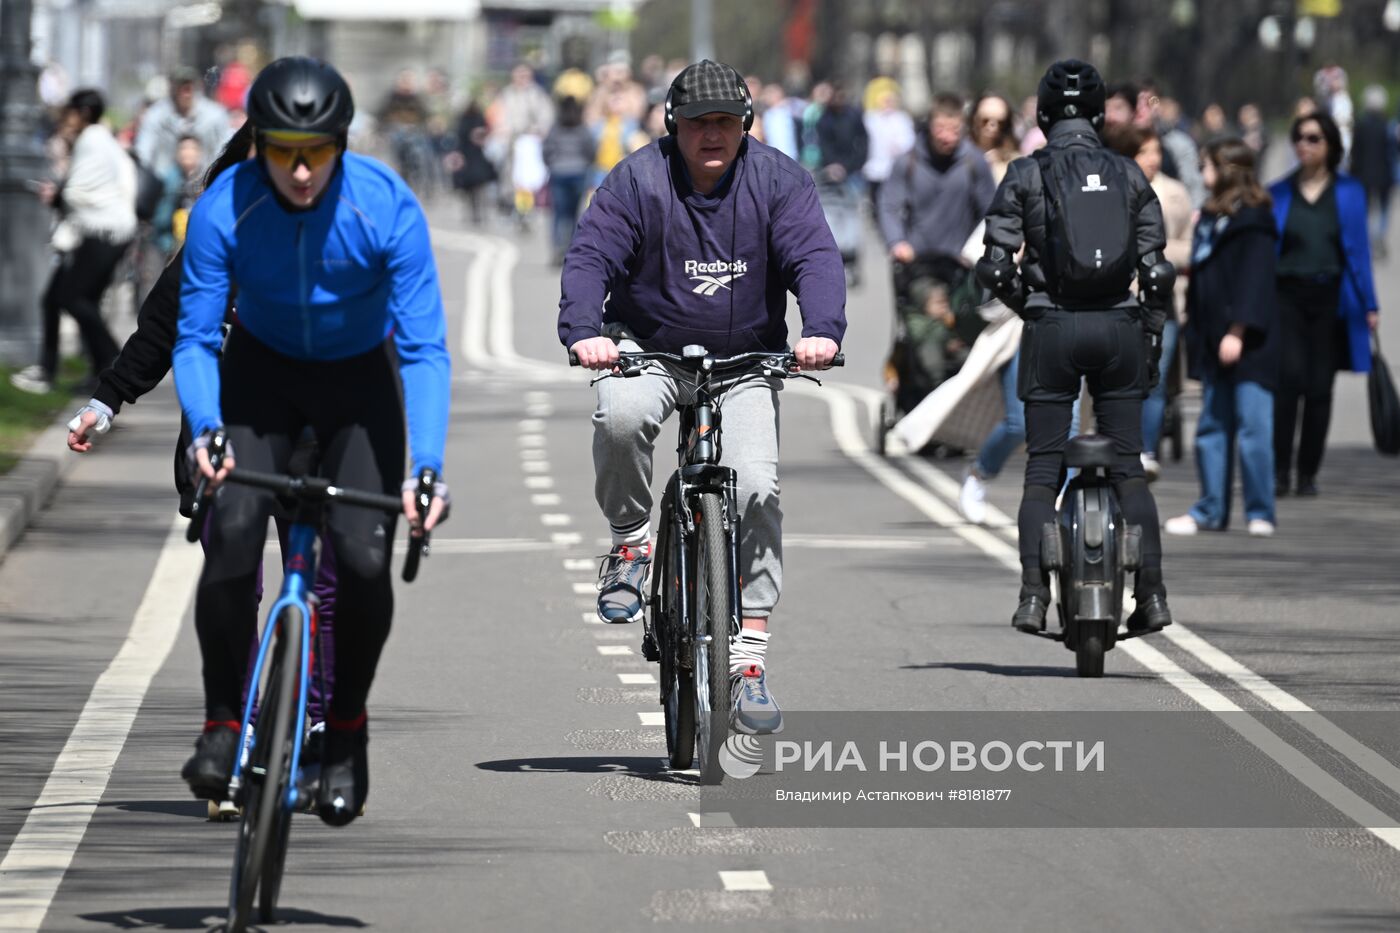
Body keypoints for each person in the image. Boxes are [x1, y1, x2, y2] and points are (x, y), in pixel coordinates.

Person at [172, 56, 452, 825]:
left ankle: (346, 735)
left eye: (318, 151)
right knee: (230, 532)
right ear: (257, 141)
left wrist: (425, 467)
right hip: (259, 379)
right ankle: (225, 722)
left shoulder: (385, 208)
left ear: (342, 144)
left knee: (363, 561)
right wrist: (205, 432)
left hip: (358, 386)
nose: (300, 170)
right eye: (284, 149)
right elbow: (196, 339)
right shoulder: (226, 207)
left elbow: (426, 351)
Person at [559, 59, 845, 736]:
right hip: (649, 347)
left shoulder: (779, 181)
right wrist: (583, 332)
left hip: (746, 358)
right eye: (697, 123)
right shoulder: (636, 180)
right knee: (621, 413)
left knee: (754, 486)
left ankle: (748, 660)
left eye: (724, 121)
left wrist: (823, 331)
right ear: (672, 125)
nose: (711, 134)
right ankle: (631, 543)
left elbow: (815, 257)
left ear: (745, 123)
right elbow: (590, 256)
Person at [64, 121, 342, 747]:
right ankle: (233, 721)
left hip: (316, 438)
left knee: (328, 580)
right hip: (227, 439)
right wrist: (105, 403)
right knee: (234, 576)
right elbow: (159, 334)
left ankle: (319, 719)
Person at [975, 59, 1173, 635]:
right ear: (1099, 116)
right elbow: (1157, 272)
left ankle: (1034, 594)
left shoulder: (1024, 174)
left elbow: (992, 267)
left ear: (1040, 116)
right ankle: (1153, 595)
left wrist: (1029, 307)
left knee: (1042, 471)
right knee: (1129, 469)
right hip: (1119, 327)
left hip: (1053, 329)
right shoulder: (1129, 174)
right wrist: (1152, 337)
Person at [1166, 139, 1280, 537]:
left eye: (1208, 167)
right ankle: (1210, 509)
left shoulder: (1255, 221)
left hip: (1248, 343)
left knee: (1253, 429)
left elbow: (1255, 281)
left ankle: (1259, 510)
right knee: (1212, 427)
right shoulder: (1212, 217)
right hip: (1212, 338)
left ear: (1229, 170)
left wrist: (1238, 330)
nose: (1202, 174)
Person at [1269, 111, 1380, 497]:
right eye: (1299, 137)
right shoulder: (1279, 192)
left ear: (1330, 145)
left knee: (1319, 387)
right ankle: (1279, 470)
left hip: (1332, 297)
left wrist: (1370, 304)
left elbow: (1359, 252)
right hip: (1286, 297)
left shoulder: (1349, 192)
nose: (1304, 145)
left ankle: (1307, 473)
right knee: (1287, 383)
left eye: (1314, 138)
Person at [10, 89, 136, 396]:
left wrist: (57, 195)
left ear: (83, 113)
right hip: (103, 233)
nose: (66, 117)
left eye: (70, 111)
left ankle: (113, 361)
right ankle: (88, 369)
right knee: (62, 298)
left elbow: (79, 191)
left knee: (72, 298)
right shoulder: (100, 138)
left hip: (102, 233)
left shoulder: (92, 140)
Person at [878, 93, 996, 410]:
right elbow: (889, 205)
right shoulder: (909, 161)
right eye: (941, 129)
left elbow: (992, 213)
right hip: (919, 267)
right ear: (930, 126)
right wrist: (897, 243)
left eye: (954, 130)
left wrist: (978, 249)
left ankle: (954, 410)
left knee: (961, 342)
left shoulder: (973, 162)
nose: (947, 137)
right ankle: (922, 399)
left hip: (961, 268)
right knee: (926, 342)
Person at [1104, 124, 1192, 479]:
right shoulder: (1110, 188)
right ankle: (1119, 444)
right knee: (1120, 377)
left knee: (1153, 378)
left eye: (1156, 151)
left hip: (1160, 296)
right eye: (1144, 152)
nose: (1153, 159)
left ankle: (1146, 450)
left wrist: (1157, 251)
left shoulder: (1174, 192)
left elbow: (1189, 243)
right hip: (1121, 296)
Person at [134, 67, 231, 177]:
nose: (185, 93)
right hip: (164, 184)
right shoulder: (155, 115)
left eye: (189, 87)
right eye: (180, 87)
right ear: (172, 88)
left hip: (205, 180)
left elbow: (225, 148)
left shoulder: (214, 116)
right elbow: (143, 152)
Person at [542, 95, 597, 264]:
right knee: (574, 214)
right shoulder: (582, 128)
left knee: (559, 213)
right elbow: (591, 149)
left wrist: (552, 164)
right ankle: (572, 248)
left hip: (558, 172)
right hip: (578, 172)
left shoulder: (556, 128)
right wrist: (584, 164)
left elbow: (546, 149)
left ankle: (558, 246)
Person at [1349, 86, 1396, 256]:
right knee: (1383, 209)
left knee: (1366, 209)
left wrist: (1352, 173)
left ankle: (1369, 237)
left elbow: (1355, 152)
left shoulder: (1360, 126)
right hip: (1384, 175)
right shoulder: (1388, 126)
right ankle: (1379, 235)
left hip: (1363, 175)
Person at [861, 85, 916, 212]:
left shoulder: (902, 118)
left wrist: (900, 146)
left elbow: (909, 139)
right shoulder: (870, 118)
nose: (888, 103)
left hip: (895, 166)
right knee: (875, 201)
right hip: (874, 167)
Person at [152, 134, 203, 257]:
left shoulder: (202, 178)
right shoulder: (171, 180)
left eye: (192, 149)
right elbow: (162, 219)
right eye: (184, 148)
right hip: (171, 246)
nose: (188, 153)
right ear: (177, 153)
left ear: (199, 153)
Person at [969, 92, 1020, 183]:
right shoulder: (962, 156)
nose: (992, 126)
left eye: (1000, 122)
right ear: (975, 120)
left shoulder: (1015, 162)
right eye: (985, 121)